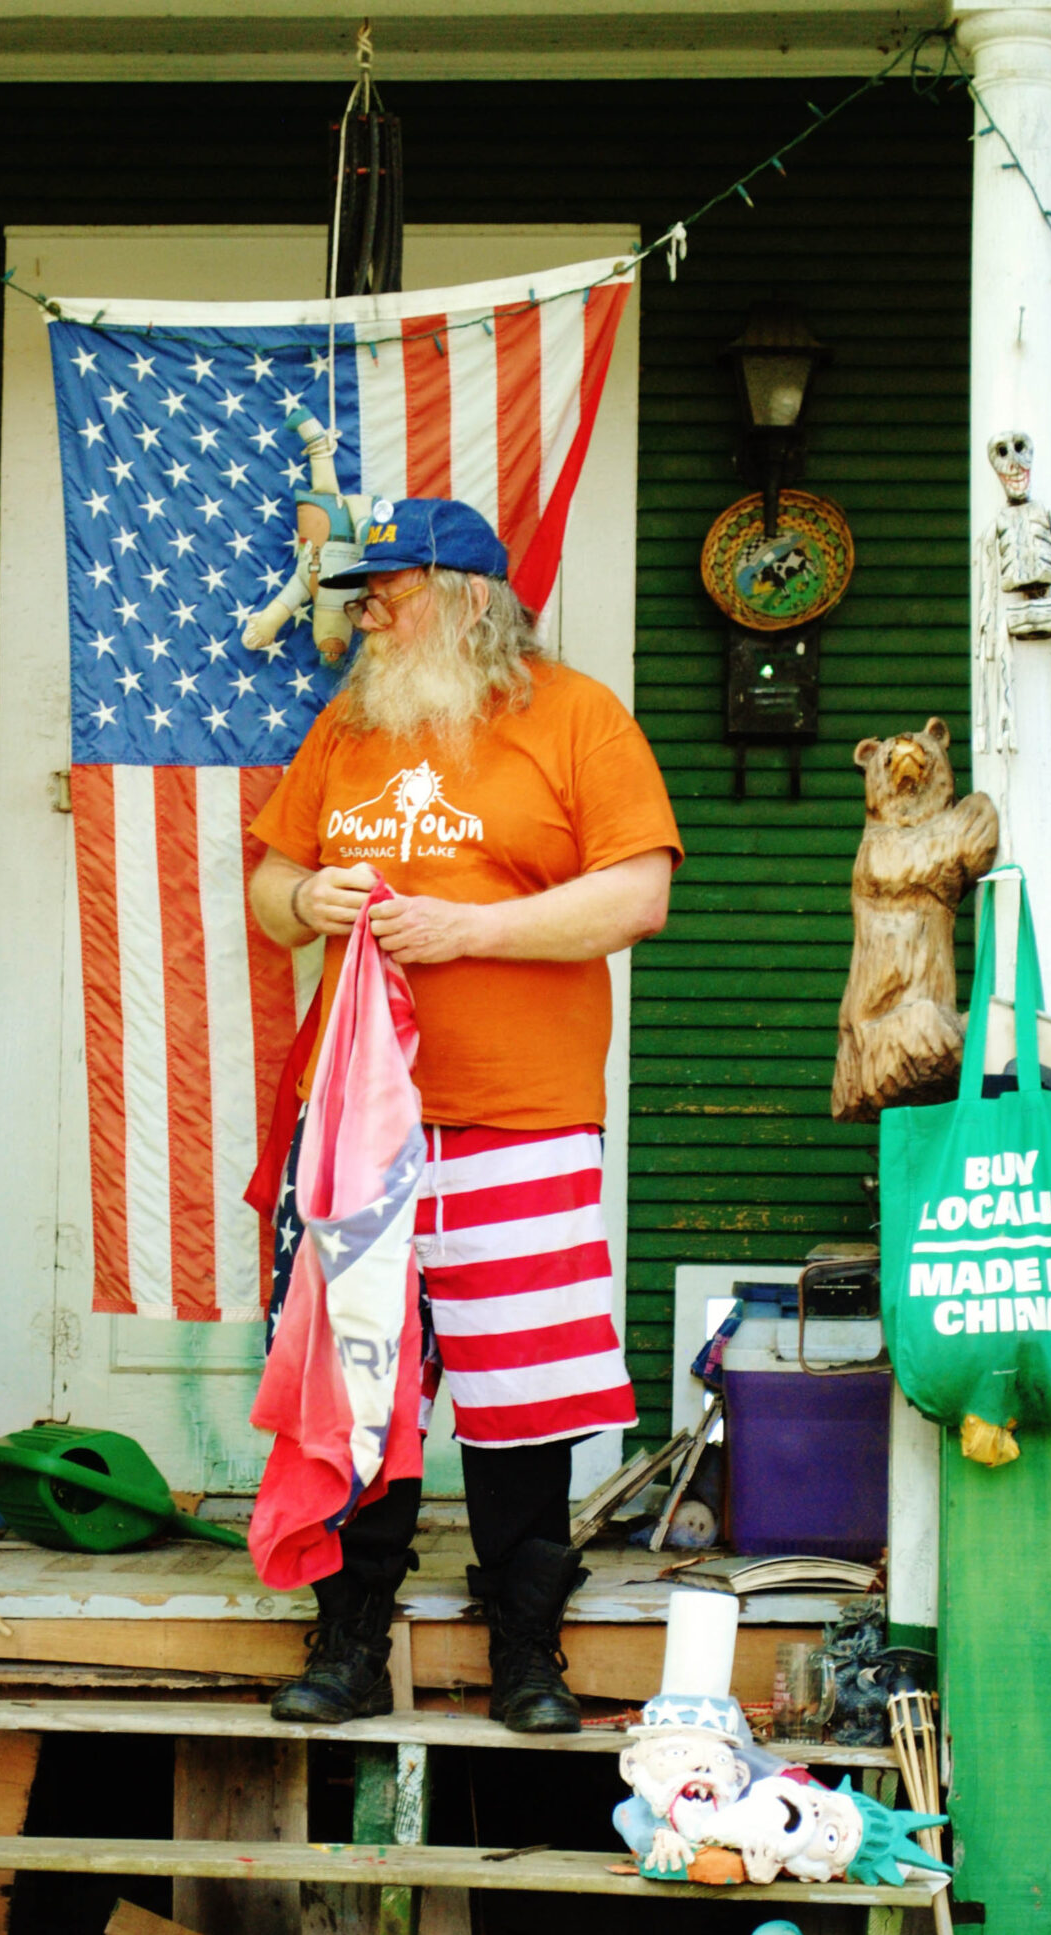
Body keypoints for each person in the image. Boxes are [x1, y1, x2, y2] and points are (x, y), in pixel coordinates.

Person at [247, 496, 680, 1734]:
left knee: (519, 1396)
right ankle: (345, 1643)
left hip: (518, 1117)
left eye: (391, 591)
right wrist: (308, 901)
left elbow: (635, 894)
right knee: (358, 1383)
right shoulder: (348, 726)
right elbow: (270, 882)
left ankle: (526, 1657)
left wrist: (469, 930)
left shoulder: (577, 716)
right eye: (364, 592)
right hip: (357, 1123)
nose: (367, 612)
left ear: (472, 598)